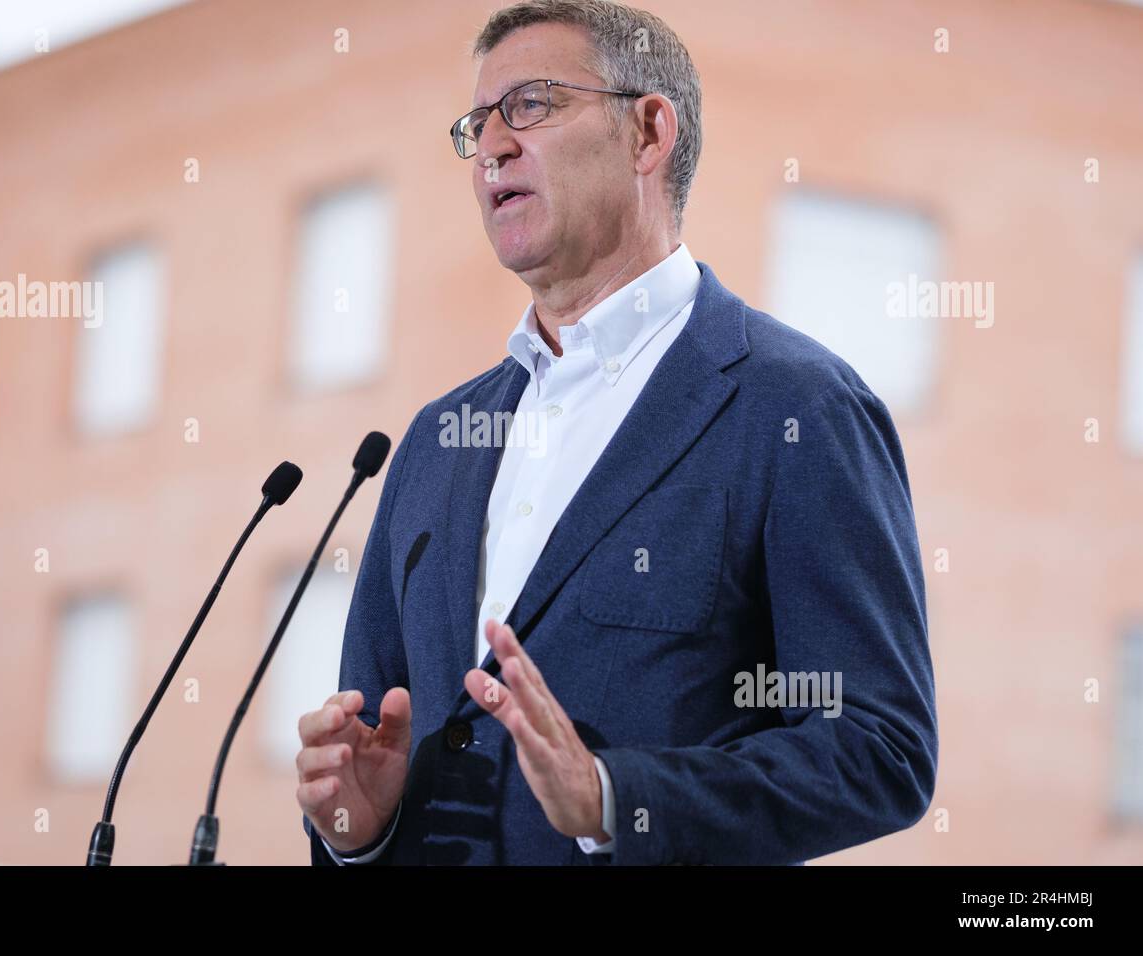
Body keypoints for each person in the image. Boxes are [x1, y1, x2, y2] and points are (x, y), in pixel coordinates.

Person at [295, 0, 937, 865]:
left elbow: (878, 752)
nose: (492, 145)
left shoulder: (797, 409)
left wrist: (614, 800)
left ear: (648, 132)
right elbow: (372, 747)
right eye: (476, 124)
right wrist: (355, 829)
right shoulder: (435, 439)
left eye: (531, 105)